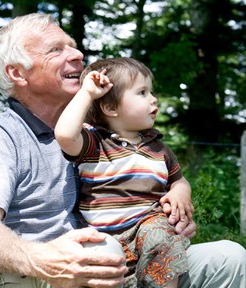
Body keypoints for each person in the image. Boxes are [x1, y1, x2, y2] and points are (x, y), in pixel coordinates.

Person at [0, 12, 246, 288]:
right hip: (43, 274)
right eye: (56, 49)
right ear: (17, 73)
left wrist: (170, 216)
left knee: (227, 257)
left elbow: (155, 186)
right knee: (102, 252)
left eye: (74, 46)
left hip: (119, 264)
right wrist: (41, 259)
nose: (78, 55)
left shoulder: (103, 135)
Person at [54, 57, 193, 288]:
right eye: (142, 92)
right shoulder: (95, 143)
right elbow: (65, 134)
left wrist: (180, 192)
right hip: (106, 239)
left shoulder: (157, 148)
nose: (153, 99)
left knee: (161, 236)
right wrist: (87, 93)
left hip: (149, 228)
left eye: (151, 91)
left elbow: (179, 180)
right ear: (110, 108)